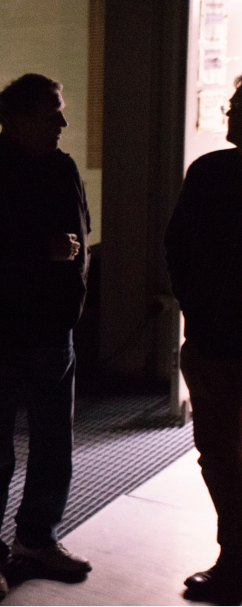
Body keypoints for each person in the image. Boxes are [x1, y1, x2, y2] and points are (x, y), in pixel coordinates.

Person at [0, 73, 93, 597]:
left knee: (54, 447)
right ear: (17, 119)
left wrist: (69, 308)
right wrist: (41, 251)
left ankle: (35, 540)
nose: (63, 122)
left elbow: (79, 241)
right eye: (53, 111)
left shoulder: (62, 169)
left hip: (52, 337)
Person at [165, 77, 242, 605]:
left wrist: (199, 312)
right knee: (218, 455)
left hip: (214, 340)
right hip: (213, 339)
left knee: (218, 457)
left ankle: (234, 561)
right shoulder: (209, 170)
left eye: (235, 104)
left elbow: (179, 252)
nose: (229, 110)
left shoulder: (211, 172)